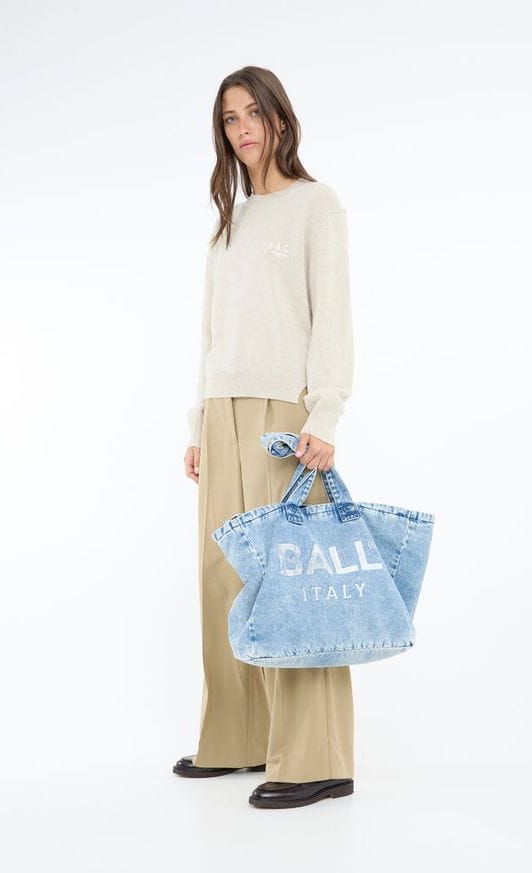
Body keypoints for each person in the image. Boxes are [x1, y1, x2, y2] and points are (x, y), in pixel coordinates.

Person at [173, 65, 355, 809]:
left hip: (286, 413)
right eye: (230, 118)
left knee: (291, 580)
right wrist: (199, 423)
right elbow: (211, 332)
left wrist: (325, 415)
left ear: (280, 119)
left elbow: (333, 314)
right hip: (222, 412)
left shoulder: (317, 204)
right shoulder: (229, 222)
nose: (243, 128)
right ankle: (239, 737)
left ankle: (315, 758)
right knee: (224, 576)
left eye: (254, 112)